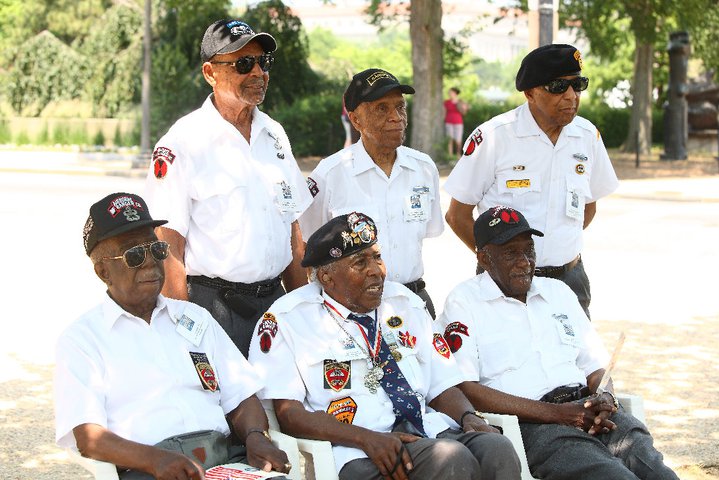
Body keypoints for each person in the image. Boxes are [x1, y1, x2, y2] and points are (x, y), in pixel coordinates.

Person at [249, 212, 521, 480]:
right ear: (327, 278)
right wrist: (367, 439)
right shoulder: (288, 319)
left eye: (377, 257)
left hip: (426, 430)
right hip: (358, 449)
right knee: (450, 458)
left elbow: (442, 383)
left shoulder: (405, 303)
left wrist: (467, 416)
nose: (376, 271)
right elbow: (289, 414)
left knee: (497, 448)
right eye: (360, 263)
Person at [55, 192, 291, 480]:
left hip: (222, 461)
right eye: (134, 255)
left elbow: (241, 395)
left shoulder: (196, 318)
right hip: (149, 469)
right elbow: (88, 436)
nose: (150, 263)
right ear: (103, 271)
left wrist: (256, 436)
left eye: (156, 249)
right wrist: (155, 461)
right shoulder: (83, 340)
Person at [437, 205, 679, 480]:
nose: (525, 262)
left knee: (656, 471)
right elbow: (467, 388)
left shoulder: (558, 292)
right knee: (612, 476)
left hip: (588, 410)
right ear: (484, 258)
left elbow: (596, 368)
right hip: (535, 425)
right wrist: (557, 414)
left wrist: (606, 396)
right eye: (511, 253)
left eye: (529, 250)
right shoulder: (465, 301)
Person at [144, 19, 312, 357]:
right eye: (243, 63)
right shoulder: (183, 143)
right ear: (210, 73)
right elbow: (168, 249)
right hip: (215, 310)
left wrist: (302, 309)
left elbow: (293, 233)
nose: (258, 73)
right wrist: (185, 330)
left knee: (283, 408)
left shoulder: (274, 135)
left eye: (263, 62)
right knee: (223, 410)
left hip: (276, 307)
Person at [444, 44, 619, 317]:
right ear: (530, 93)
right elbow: (458, 215)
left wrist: (556, 249)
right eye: (559, 86)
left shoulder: (587, 137)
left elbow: (589, 206)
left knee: (574, 359)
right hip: (504, 284)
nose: (571, 96)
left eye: (578, 85)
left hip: (569, 280)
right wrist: (499, 263)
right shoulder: (494, 138)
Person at [300, 68, 444, 318]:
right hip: (353, 310)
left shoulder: (423, 168)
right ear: (356, 120)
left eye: (400, 107)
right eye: (382, 109)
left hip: (414, 303)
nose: (396, 117)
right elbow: (306, 247)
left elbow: (430, 230)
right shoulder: (330, 173)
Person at [444, 87, 468, 156]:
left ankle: (458, 154)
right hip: (448, 122)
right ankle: (450, 155)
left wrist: (464, 108)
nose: (449, 94)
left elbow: (464, 113)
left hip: (458, 123)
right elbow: (444, 112)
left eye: (451, 92)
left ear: (455, 93)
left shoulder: (461, 102)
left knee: (458, 140)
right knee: (449, 139)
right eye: (449, 92)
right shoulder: (446, 102)